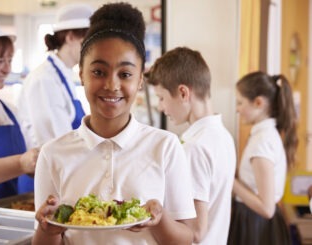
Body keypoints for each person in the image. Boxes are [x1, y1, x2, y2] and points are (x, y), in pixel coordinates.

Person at [32, 3, 196, 245]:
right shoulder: (53, 154)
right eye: (98, 72)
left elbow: (186, 238)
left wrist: (159, 219)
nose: (111, 85)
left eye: (125, 74)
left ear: (140, 80)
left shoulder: (165, 146)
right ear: (82, 75)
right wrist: (47, 229)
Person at [147, 47, 237, 244]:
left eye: (161, 98)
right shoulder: (224, 136)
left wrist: (152, 213)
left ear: (183, 93)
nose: (160, 107)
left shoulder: (194, 148)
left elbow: (195, 232)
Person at [227, 71, 298, 245]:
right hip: (254, 221)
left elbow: (267, 209)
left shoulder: (263, 142)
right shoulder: (264, 136)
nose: (237, 109)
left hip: (255, 224)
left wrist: (230, 180)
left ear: (258, 103)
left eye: (240, 102)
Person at [18, 3, 93, 150]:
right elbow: (58, 144)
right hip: (51, 168)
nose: (93, 50)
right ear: (70, 37)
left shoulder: (63, 75)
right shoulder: (45, 80)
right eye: (89, 43)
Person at [0, 15, 39, 201]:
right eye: (0, 61)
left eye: (9, 60)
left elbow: (29, 156)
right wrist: (21, 163)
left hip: (5, 211)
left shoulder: (8, 111)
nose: (7, 69)